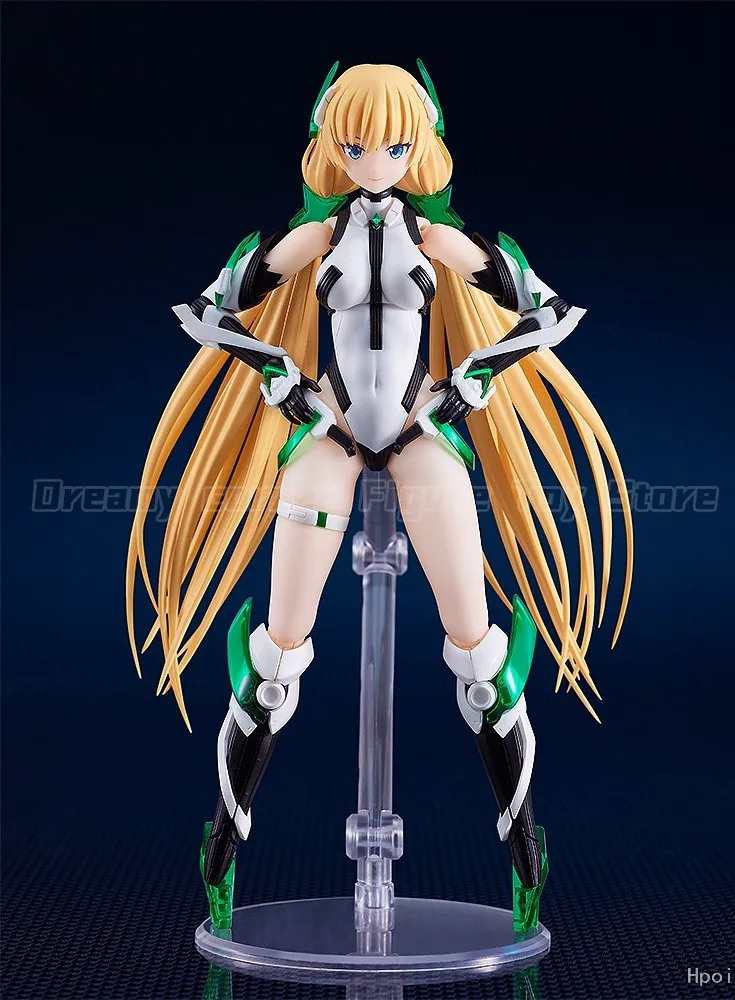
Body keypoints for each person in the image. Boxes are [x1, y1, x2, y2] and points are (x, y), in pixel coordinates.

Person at [127, 61, 633, 935]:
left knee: (481, 664)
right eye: (356, 144)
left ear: (420, 144)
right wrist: (276, 371)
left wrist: (476, 374)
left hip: (419, 433)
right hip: (326, 436)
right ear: (330, 142)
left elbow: (550, 313)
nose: (374, 161)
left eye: (394, 146)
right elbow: (207, 310)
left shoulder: (438, 241)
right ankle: (222, 853)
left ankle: (524, 853)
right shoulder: (312, 238)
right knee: (275, 665)